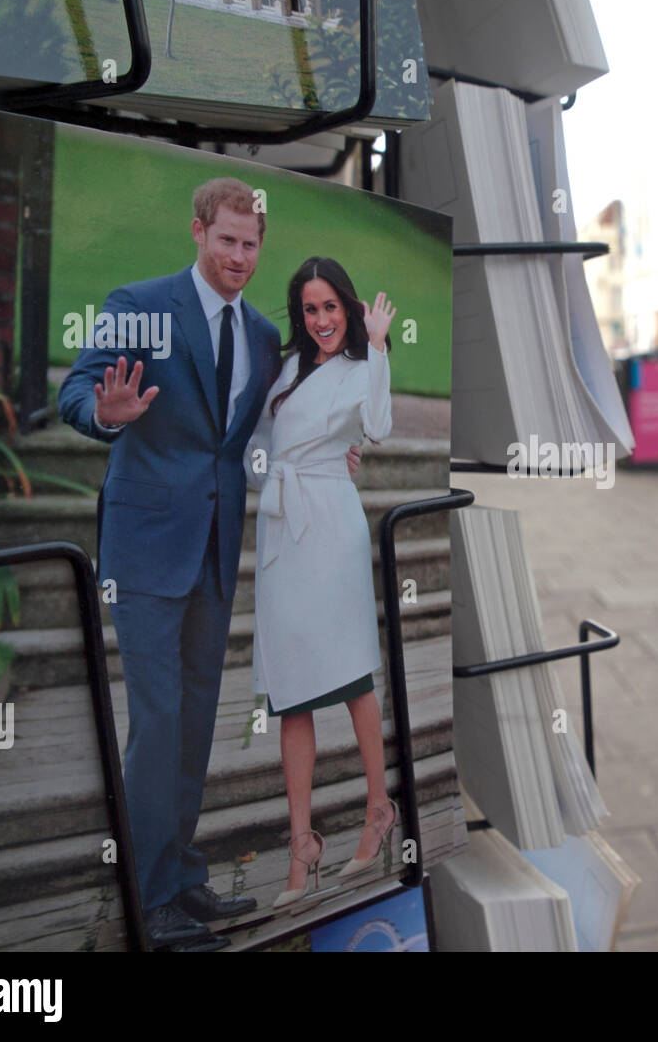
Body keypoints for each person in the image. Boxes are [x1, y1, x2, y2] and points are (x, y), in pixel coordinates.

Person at [57, 180, 362, 950]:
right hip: (148, 549)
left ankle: (182, 878)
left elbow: (254, 441)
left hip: (217, 552)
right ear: (198, 232)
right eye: (225, 240)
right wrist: (106, 411)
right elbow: (75, 389)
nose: (238, 256)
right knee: (157, 722)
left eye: (250, 244)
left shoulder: (262, 336)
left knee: (195, 723)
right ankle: (147, 896)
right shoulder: (142, 303)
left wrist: (327, 452)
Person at [244, 257, 397, 910]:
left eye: (330, 306)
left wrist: (381, 345)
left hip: (330, 530)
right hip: (283, 532)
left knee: (351, 672)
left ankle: (379, 805)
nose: (321, 319)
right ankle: (301, 846)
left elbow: (381, 425)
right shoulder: (286, 370)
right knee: (290, 691)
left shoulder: (361, 368)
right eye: (310, 309)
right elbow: (259, 449)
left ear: (349, 307)